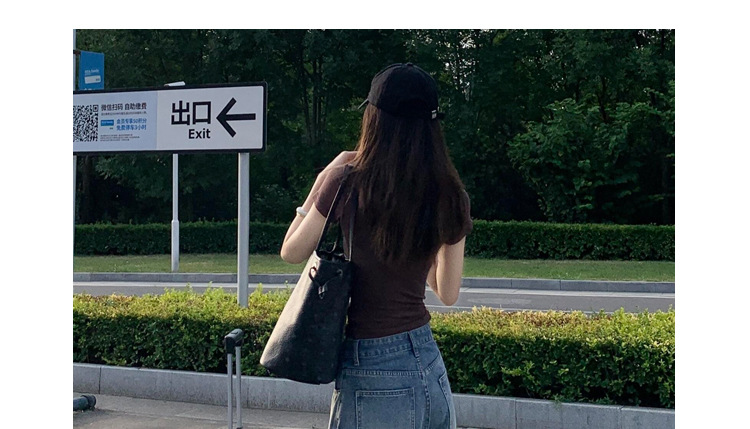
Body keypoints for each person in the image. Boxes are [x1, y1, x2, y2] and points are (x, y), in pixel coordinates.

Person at [280, 63, 472, 429]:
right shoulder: (451, 194)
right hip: (428, 364)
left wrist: (323, 178)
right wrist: (417, 234)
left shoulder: (344, 182)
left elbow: (291, 251)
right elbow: (447, 292)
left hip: (371, 366)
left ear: (374, 119)